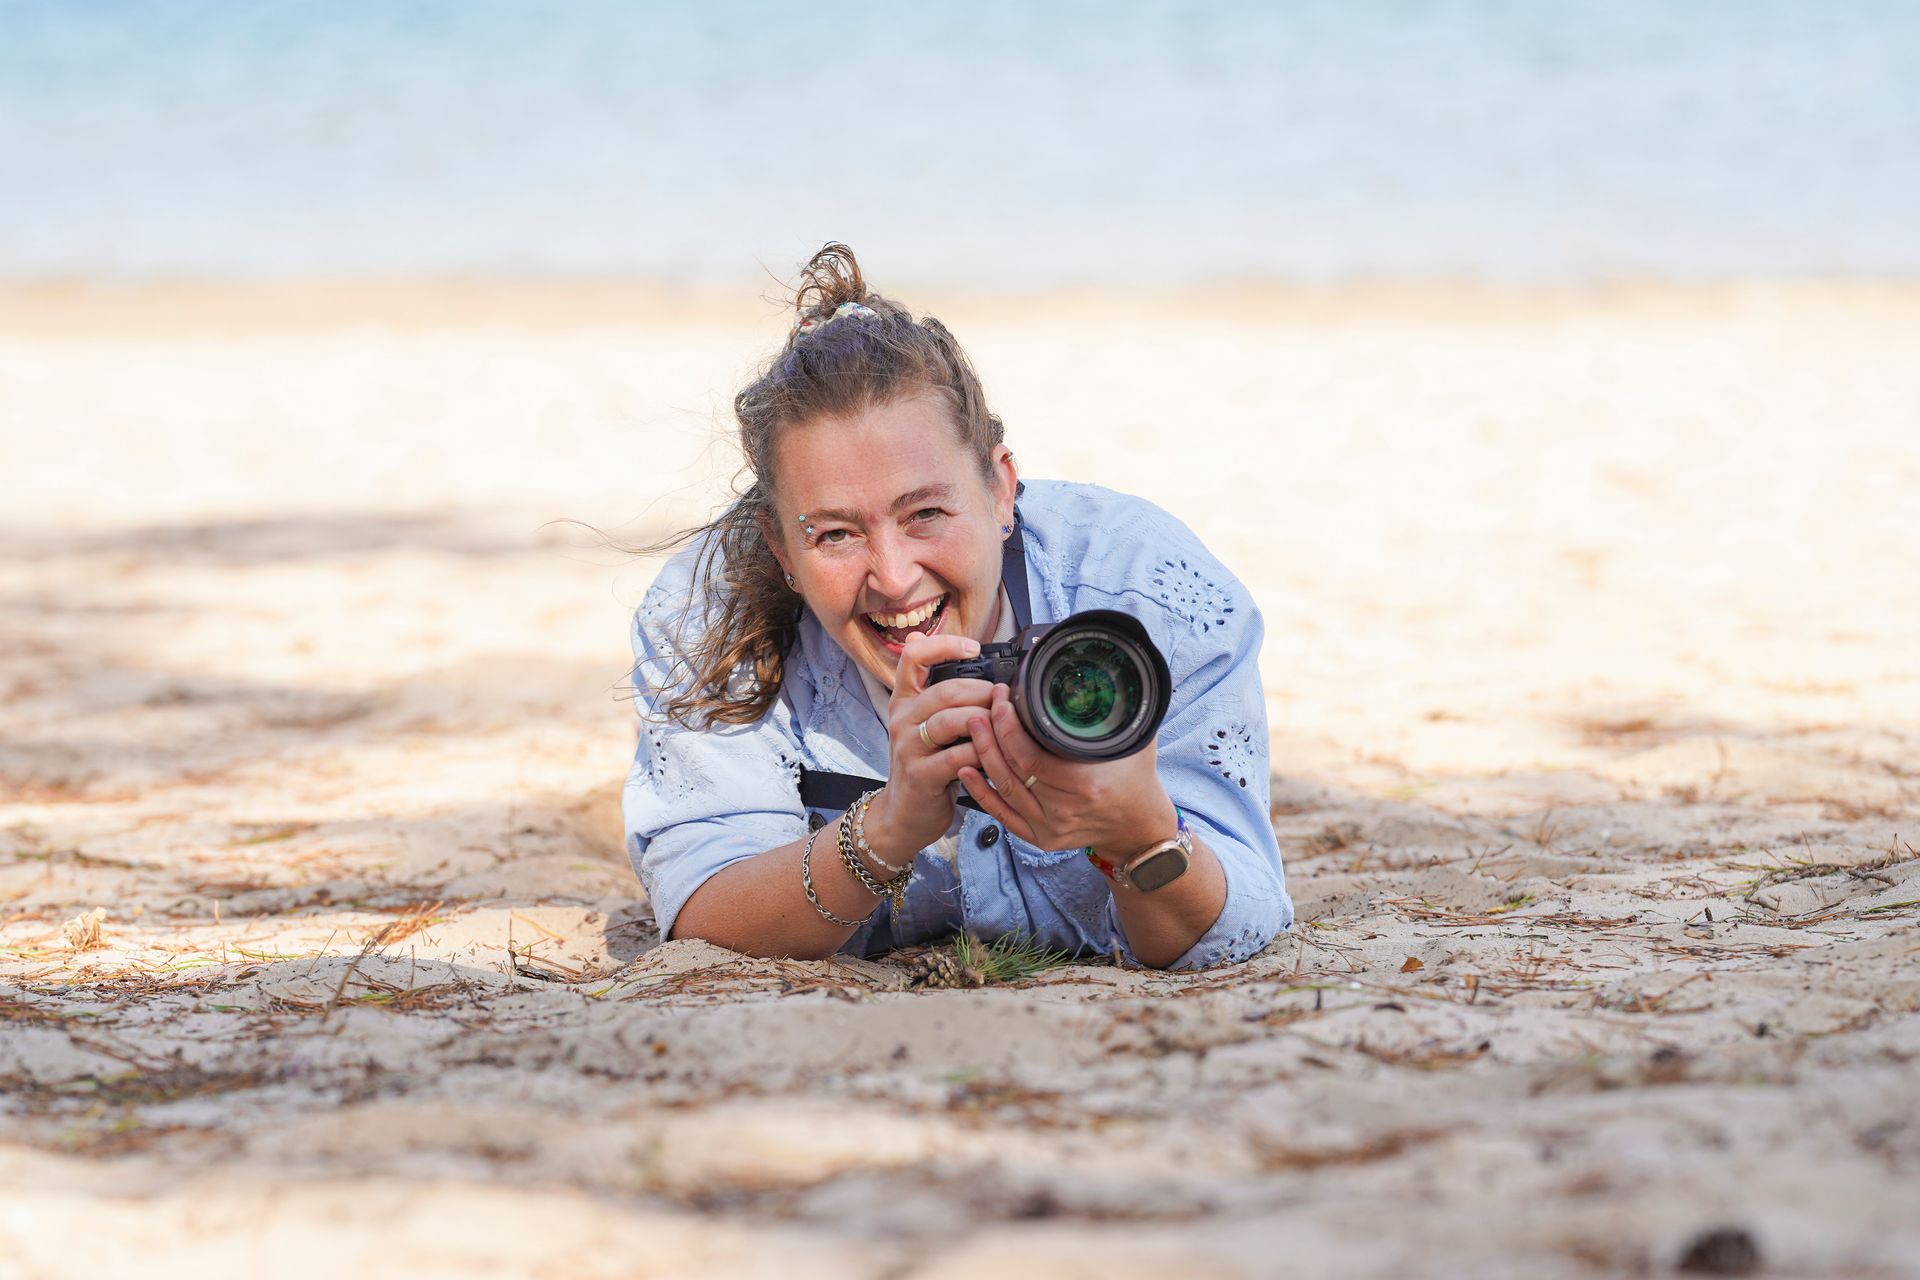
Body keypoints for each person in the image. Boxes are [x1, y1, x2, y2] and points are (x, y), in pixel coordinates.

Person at [623, 245, 1291, 969]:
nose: (893, 577)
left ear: (1001, 491)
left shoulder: (1147, 592)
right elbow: (704, 917)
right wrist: (884, 831)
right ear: (780, 546)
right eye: (835, 534)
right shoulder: (709, 617)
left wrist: (1138, 834)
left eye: (926, 513)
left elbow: (1238, 917)